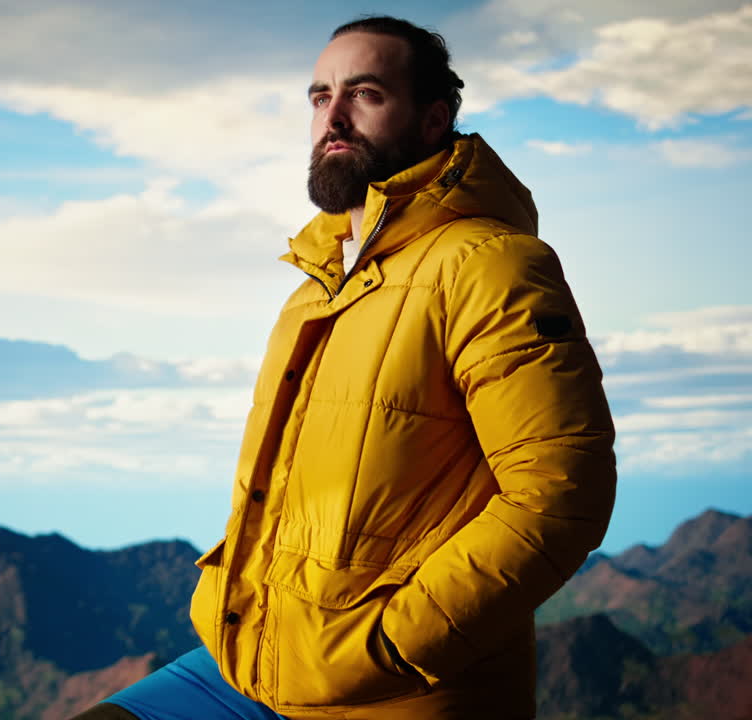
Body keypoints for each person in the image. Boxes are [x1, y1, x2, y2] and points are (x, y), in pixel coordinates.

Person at [72, 14, 616, 720]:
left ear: (432, 120)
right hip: (250, 665)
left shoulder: (490, 265)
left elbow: (561, 494)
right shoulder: (313, 290)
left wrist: (388, 646)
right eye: (319, 96)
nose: (333, 115)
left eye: (364, 94)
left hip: (387, 689)